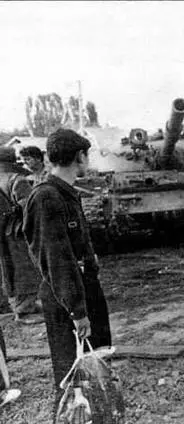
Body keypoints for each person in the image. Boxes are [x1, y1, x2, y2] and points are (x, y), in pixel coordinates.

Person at [23, 129, 112, 417]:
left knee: (94, 369)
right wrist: (77, 311)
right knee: (72, 378)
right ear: (79, 157)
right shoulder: (47, 197)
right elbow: (56, 260)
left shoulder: (64, 193)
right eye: (87, 155)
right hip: (68, 300)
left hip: (83, 290)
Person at [0, 147, 43, 325]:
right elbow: (28, 209)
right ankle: (24, 310)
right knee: (25, 269)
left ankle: (22, 305)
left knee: (8, 270)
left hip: (3, 232)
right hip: (17, 232)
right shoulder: (17, 179)